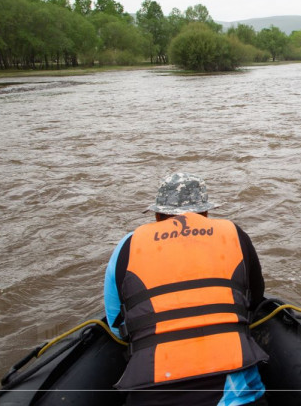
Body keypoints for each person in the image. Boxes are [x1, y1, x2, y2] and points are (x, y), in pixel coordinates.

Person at [104, 173, 269, 406]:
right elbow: (255, 300)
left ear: (157, 214)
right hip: (234, 393)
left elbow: (115, 325)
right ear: (206, 212)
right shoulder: (234, 233)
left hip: (150, 390)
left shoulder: (128, 245)